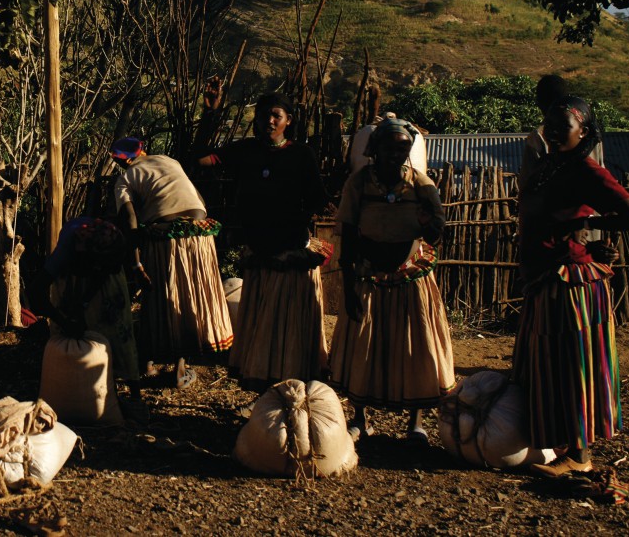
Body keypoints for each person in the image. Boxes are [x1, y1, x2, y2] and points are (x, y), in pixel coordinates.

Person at [514, 95, 629, 476]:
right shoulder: (549, 166)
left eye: (564, 124)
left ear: (583, 132)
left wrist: (584, 228)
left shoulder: (585, 170)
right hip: (545, 280)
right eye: (550, 123)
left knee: (572, 366)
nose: (554, 130)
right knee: (550, 365)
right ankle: (561, 445)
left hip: (571, 285)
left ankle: (580, 457)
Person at [330, 117, 454, 443]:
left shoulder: (421, 185)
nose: (395, 154)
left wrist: (429, 223)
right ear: (374, 149)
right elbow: (349, 234)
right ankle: (360, 417)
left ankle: (416, 423)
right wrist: (348, 284)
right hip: (368, 274)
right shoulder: (358, 184)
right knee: (364, 348)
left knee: (415, 348)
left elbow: (437, 233)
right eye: (389, 147)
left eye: (402, 148)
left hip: (409, 277)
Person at [194, 92, 331, 388]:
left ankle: (292, 393)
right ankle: (264, 397)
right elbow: (201, 160)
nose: (269, 121)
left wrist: (292, 223)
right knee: (264, 329)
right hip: (259, 248)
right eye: (264, 115)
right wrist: (210, 115)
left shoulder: (301, 155)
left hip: (290, 251)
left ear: (288, 121)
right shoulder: (245, 151)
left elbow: (319, 199)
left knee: (288, 330)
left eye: (276, 116)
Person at [111, 136, 232, 389]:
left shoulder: (125, 179)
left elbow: (129, 218)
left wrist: (136, 263)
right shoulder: (170, 161)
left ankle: (157, 361)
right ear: (142, 151)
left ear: (121, 162)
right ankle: (180, 360)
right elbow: (197, 198)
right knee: (190, 298)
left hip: (166, 236)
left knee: (167, 296)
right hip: (200, 233)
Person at [45, 215, 141, 397]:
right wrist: (65, 321)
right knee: (76, 340)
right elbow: (36, 294)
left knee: (118, 334)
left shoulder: (109, 242)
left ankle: (134, 395)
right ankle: (78, 392)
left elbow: (108, 270)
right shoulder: (65, 255)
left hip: (103, 278)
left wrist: (84, 302)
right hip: (77, 273)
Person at [519, 75, 604, 189]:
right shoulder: (592, 134)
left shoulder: (538, 136)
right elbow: (602, 174)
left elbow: (527, 184)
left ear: (541, 103)